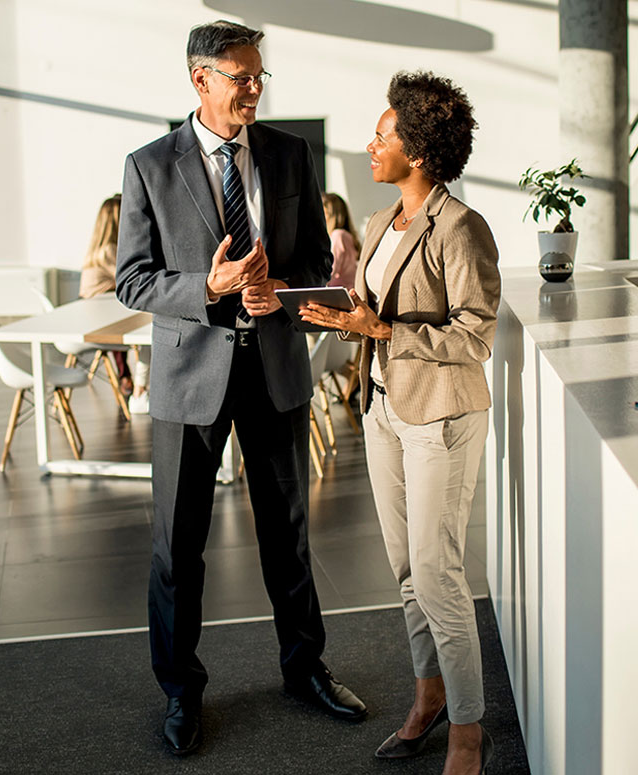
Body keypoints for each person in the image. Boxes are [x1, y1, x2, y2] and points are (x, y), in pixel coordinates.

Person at [116, 19, 366, 756]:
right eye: (242, 77)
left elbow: (319, 255)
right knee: (177, 547)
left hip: (275, 368)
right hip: (191, 377)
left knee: (287, 536)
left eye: (260, 75)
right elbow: (133, 277)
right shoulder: (148, 166)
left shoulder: (291, 155)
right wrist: (210, 285)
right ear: (201, 80)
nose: (255, 88)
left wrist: (279, 288)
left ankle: (305, 669)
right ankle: (180, 693)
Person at [299, 71, 500, 775]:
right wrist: (337, 315)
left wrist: (380, 327)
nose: (369, 145)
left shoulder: (463, 227)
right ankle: (429, 694)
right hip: (383, 408)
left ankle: (468, 732)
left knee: (439, 573)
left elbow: (475, 334)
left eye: (381, 135)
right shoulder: (383, 223)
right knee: (408, 569)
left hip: (440, 415)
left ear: (415, 149)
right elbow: (371, 314)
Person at [79, 195, 149, 408]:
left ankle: (128, 378)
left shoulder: (98, 249)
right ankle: (139, 387)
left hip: (93, 310)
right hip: (101, 318)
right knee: (146, 332)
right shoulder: (110, 251)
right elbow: (131, 280)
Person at [322, 192, 360, 288]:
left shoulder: (338, 235)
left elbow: (331, 268)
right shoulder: (346, 236)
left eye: (324, 213)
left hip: (340, 293)